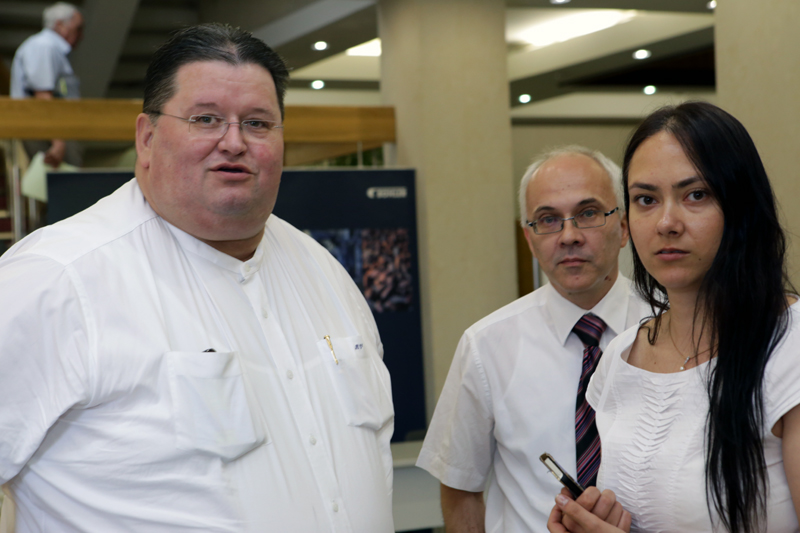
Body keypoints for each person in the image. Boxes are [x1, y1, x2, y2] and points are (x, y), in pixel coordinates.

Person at [0, 23, 395, 532]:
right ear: (147, 137)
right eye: (205, 119)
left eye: (258, 123)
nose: (234, 142)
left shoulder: (323, 271)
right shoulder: (56, 280)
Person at [548, 101, 800, 532]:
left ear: (741, 205)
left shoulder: (790, 348)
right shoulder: (620, 359)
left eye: (695, 195)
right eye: (646, 199)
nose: (666, 222)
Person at [416, 146, 650, 532]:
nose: (569, 236)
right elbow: (460, 486)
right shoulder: (486, 346)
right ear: (529, 238)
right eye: (548, 219)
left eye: (588, 213)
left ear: (623, 227)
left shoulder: (674, 328)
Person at [10, 2, 84, 167]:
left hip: (52, 130)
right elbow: (42, 95)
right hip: (47, 133)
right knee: (61, 180)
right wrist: (58, 141)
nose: (81, 35)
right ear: (60, 25)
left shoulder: (51, 48)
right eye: (78, 28)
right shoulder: (44, 46)